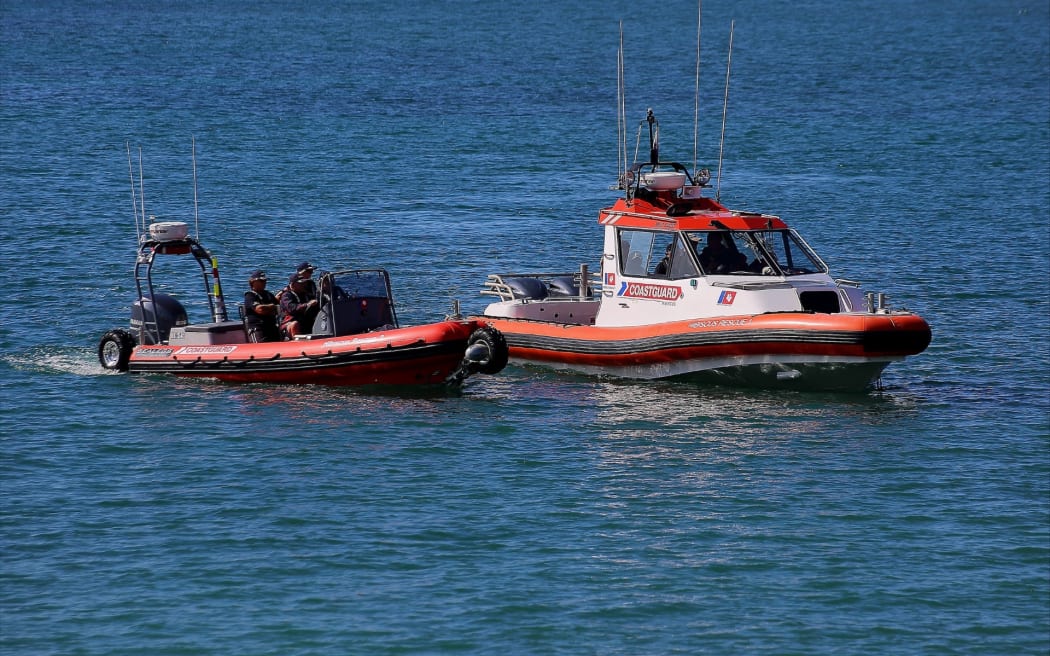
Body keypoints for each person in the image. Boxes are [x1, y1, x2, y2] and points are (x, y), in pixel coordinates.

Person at [243, 270, 280, 343]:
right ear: (253, 282)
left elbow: (278, 306)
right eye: (261, 281)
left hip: (272, 328)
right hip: (258, 329)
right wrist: (272, 306)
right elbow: (260, 309)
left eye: (265, 281)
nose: (264, 283)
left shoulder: (268, 294)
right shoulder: (250, 296)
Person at [279, 273, 320, 338]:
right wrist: (307, 305)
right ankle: (296, 342)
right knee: (295, 324)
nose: (304, 285)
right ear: (293, 284)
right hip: (290, 322)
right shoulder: (287, 295)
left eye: (304, 283)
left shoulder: (307, 295)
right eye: (301, 283)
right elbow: (292, 308)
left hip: (305, 322)